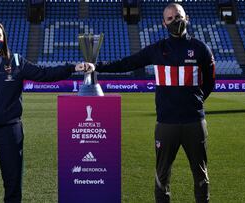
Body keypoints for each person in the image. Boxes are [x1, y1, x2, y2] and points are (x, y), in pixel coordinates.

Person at [85, 3, 215, 203]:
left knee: (201, 177)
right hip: (166, 124)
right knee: (162, 178)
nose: (175, 21)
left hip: (194, 123)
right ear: (164, 23)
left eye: (178, 16)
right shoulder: (157, 49)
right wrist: (98, 66)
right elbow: (127, 63)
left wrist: (194, 103)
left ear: (186, 17)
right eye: (170, 18)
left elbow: (209, 83)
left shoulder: (200, 49)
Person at [0, 20, 89, 203]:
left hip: (11, 131)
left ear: (4, 38)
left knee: (13, 182)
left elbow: (44, 74)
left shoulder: (16, 61)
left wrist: (73, 68)